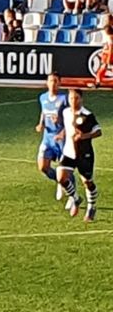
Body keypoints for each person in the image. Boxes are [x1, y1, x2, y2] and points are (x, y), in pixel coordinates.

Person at [58, 86, 100, 221]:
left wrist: (84, 136)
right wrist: (61, 134)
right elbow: (67, 127)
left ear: (81, 99)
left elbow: (98, 131)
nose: (73, 101)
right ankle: (76, 198)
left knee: (87, 183)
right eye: (71, 98)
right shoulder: (65, 112)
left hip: (84, 154)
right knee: (61, 178)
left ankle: (91, 206)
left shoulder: (87, 115)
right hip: (69, 152)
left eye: (76, 98)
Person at [35, 72, 69, 201]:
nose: (53, 84)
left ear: (59, 83)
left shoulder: (64, 99)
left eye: (55, 81)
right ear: (47, 83)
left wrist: (61, 126)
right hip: (47, 138)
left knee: (64, 168)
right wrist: (41, 124)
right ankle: (60, 182)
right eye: (50, 81)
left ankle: (73, 196)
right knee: (43, 167)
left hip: (61, 139)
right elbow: (44, 111)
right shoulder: (43, 97)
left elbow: (70, 118)